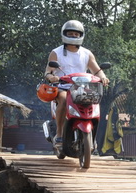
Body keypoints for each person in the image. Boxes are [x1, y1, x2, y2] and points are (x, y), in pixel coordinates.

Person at [43, 20, 109, 149]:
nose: (73, 36)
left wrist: (103, 77)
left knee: (95, 102)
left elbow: (96, 70)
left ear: (81, 36)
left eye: (76, 34)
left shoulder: (87, 53)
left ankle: (92, 136)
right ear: (64, 34)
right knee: (62, 100)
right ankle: (60, 134)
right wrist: (52, 77)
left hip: (82, 88)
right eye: (70, 33)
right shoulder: (56, 53)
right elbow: (47, 72)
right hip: (63, 87)